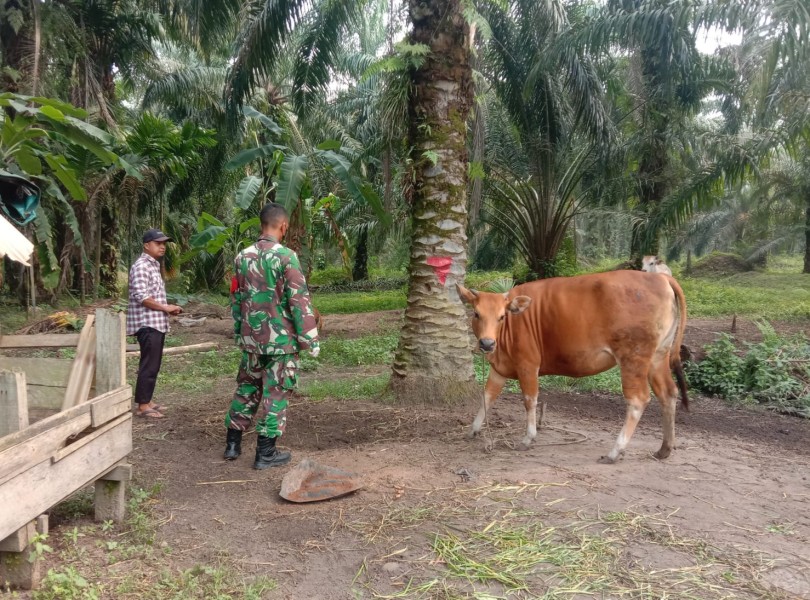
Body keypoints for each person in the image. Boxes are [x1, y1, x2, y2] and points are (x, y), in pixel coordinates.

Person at [224, 203, 320, 469]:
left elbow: (236, 298)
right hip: (281, 343)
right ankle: (265, 452)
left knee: (246, 388)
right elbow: (299, 300)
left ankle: (232, 445)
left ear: (261, 224)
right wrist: (310, 339)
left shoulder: (242, 257)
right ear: (283, 226)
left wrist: (241, 332)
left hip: (251, 340)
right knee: (275, 392)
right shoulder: (287, 256)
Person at [127, 228, 183, 419]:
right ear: (146, 245)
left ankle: (147, 400)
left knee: (153, 364)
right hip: (147, 323)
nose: (162, 247)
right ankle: (143, 406)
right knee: (149, 365)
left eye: (164, 243)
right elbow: (142, 297)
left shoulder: (152, 266)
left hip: (156, 323)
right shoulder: (142, 266)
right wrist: (166, 308)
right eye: (158, 243)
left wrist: (167, 308)